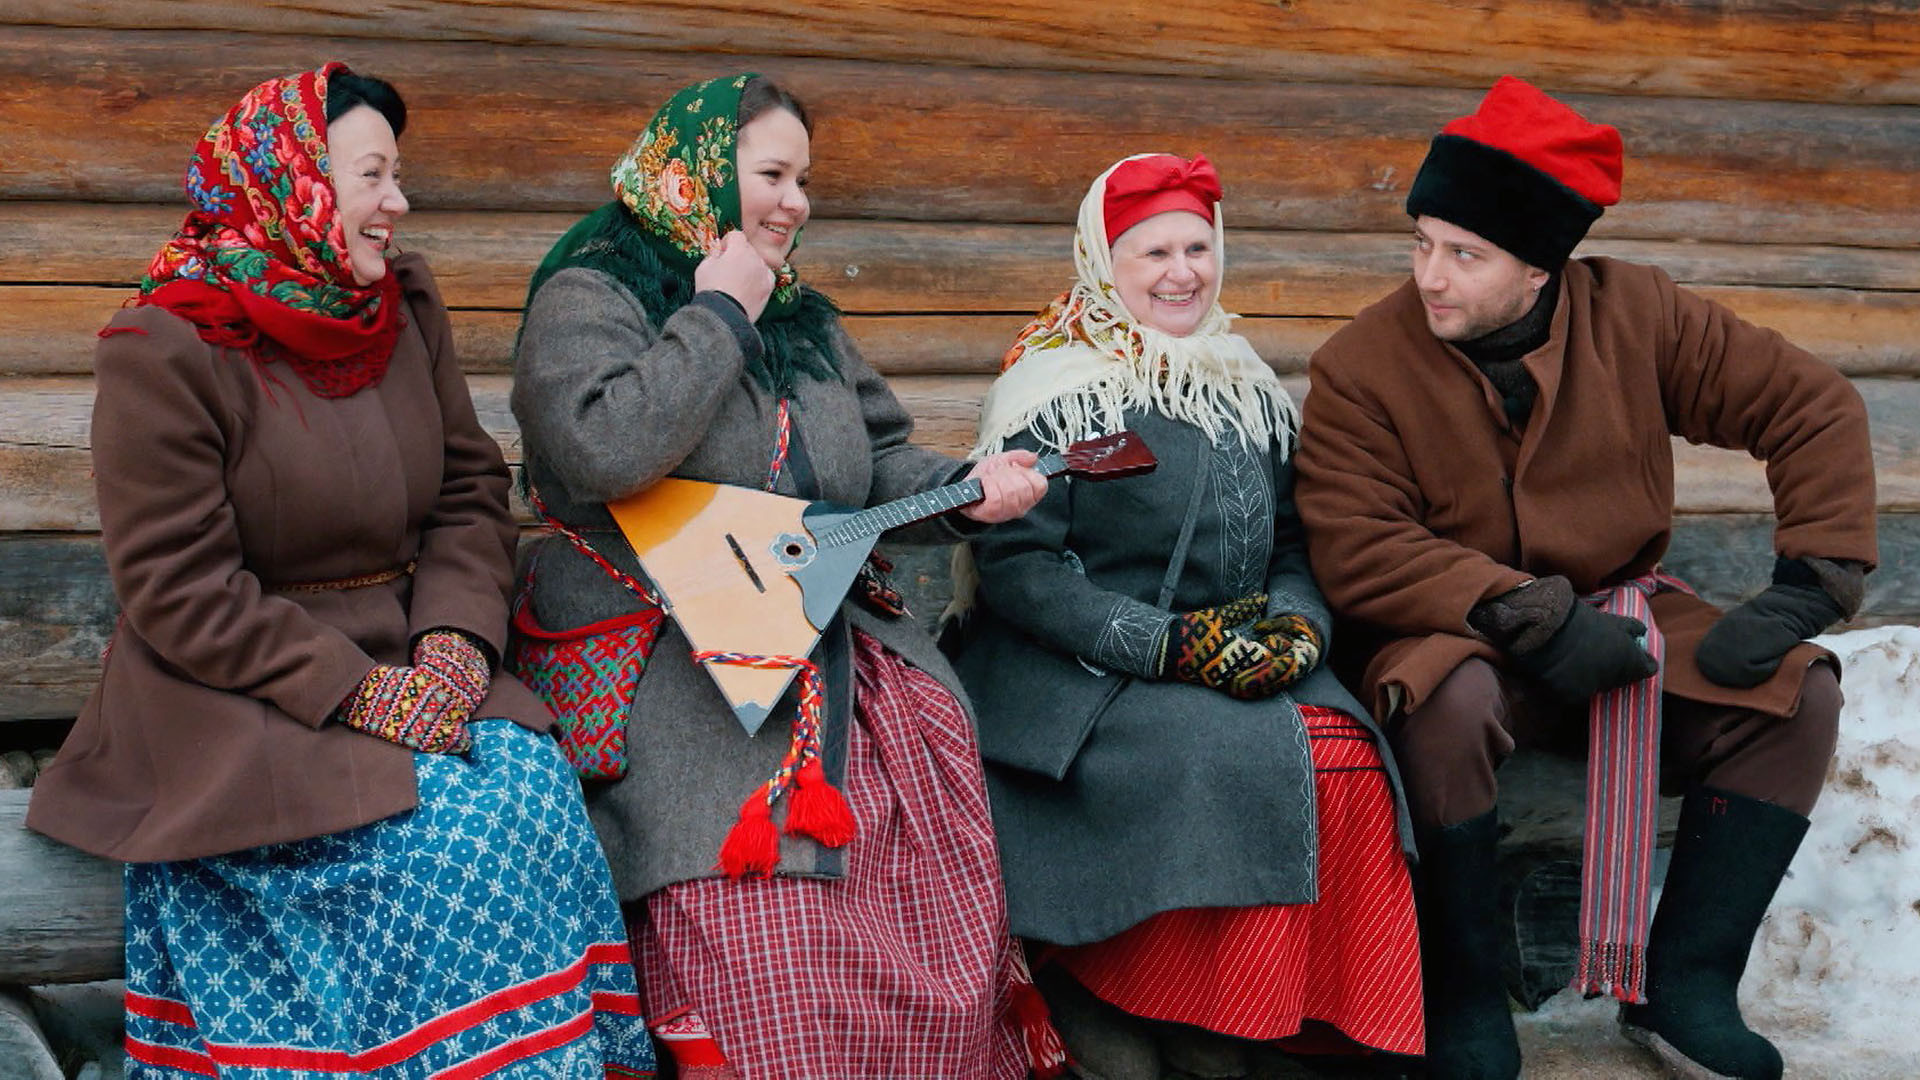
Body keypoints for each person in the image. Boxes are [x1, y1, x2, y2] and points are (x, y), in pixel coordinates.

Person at [25, 63, 654, 1077]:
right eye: (374, 177)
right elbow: (176, 585)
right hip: (247, 694)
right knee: (445, 845)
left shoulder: (400, 305)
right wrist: (362, 691)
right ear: (296, 183)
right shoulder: (163, 345)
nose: (397, 204)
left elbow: (464, 492)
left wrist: (453, 644)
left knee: (533, 788)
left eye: (396, 177)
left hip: (417, 652)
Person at [1293, 76, 1877, 1080]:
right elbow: (1355, 537)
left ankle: (1684, 988)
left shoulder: (1637, 313)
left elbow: (1812, 405)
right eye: (1422, 242)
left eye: (1464, 254)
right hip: (1457, 629)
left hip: (1625, 618)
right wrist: (1527, 611)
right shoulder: (1361, 365)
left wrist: (1806, 586)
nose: (1431, 274)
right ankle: (1463, 997)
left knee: (1799, 695)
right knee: (1448, 702)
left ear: (1539, 269)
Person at [509, 73, 1055, 1080]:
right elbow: (598, 449)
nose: (794, 202)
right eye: (770, 174)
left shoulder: (801, 314)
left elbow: (877, 461)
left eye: (803, 179)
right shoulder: (594, 290)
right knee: (768, 909)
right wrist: (717, 318)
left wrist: (967, 490)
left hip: (815, 628)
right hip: (663, 644)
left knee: (928, 748)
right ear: (702, 175)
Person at [947, 153, 1424, 1080]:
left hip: (1238, 648)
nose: (1182, 272)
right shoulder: (1060, 390)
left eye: (1198, 246)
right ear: (1104, 260)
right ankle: (1119, 992)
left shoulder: (1244, 386)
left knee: (1346, 756)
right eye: (1152, 250)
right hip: (1079, 664)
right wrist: (1167, 644)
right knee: (1224, 756)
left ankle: (1276, 1021)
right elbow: (1020, 568)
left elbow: (1294, 542)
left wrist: (1296, 630)